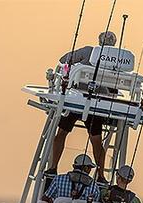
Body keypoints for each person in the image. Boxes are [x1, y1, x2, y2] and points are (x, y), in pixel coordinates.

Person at [47, 31, 118, 183]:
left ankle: (53, 167)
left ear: (99, 41)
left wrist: (76, 67)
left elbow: (63, 60)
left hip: (76, 100)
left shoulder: (87, 51)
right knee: (96, 141)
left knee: (61, 134)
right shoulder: (117, 61)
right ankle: (100, 176)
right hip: (96, 105)